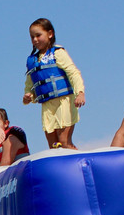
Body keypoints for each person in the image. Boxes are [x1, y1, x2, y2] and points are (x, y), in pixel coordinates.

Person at [22, 18, 85, 149]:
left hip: (64, 102)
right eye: (32, 37)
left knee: (64, 141)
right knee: (54, 146)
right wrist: (28, 95)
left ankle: (79, 165)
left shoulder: (58, 53)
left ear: (50, 34)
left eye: (38, 35)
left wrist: (80, 92)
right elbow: (30, 84)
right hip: (47, 106)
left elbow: (73, 73)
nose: (34, 40)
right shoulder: (32, 61)